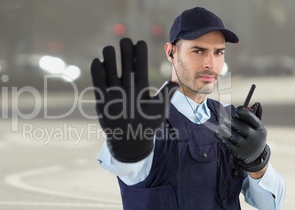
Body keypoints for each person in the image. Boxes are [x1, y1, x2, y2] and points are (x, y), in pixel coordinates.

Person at [90, 7, 286, 210]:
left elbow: (272, 205)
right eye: (198, 51)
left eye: (218, 52)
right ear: (170, 52)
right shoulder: (145, 120)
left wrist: (258, 164)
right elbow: (121, 165)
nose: (211, 63)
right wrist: (126, 150)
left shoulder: (230, 121)